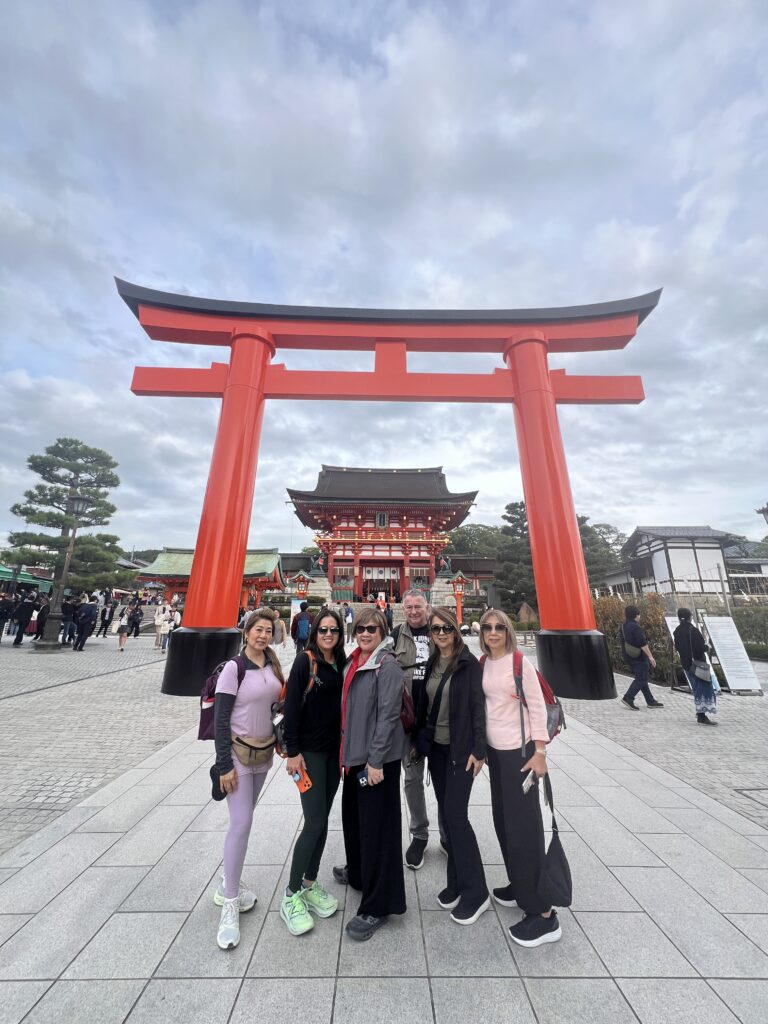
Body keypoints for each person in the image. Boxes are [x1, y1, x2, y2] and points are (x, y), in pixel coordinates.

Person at [479, 607, 562, 948]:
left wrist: (540, 752)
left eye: (500, 627)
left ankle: (543, 913)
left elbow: (538, 708)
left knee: (525, 828)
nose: (493, 632)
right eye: (487, 627)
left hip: (521, 753)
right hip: (496, 754)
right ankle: (519, 882)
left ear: (508, 631)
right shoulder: (484, 664)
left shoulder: (519, 662)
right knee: (503, 822)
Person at [333, 606, 408, 941]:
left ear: (383, 632)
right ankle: (361, 873)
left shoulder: (386, 666)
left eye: (373, 629)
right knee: (355, 821)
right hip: (354, 757)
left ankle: (378, 904)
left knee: (378, 832)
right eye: (361, 628)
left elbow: (389, 716)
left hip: (376, 762)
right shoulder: (354, 662)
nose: (365, 633)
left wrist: (376, 761)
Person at [214, 608, 284, 950]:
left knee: (246, 819)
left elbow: (275, 710)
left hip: (264, 754)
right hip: (238, 757)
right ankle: (229, 902)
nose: (262, 635)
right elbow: (221, 717)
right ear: (246, 632)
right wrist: (223, 763)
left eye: (267, 631)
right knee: (240, 823)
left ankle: (229, 881)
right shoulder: (233, 668)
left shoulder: (272, 666)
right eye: (257, 629)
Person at [414, 606, 488, 924]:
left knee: (457, 817)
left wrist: (479, 748)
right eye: (435, 629)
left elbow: (477, 706)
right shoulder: (433, 660)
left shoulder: (468, 663)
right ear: (429, 633)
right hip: (439, 751)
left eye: (447, 629)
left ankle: (477, 892)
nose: (441, 634)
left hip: (462, 751)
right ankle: (456, 881)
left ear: (456, 630)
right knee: (447, 814)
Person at [280, 608, 345, 935]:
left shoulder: (341, 661)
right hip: (307, 756)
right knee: (314, 821)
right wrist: (293, 752)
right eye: (323, 630)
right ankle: (291, 894)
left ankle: (309, 882)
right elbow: (291, 707)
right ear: (314, 632)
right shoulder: (305, 662)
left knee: (322, 821)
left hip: (334, 754)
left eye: (334, 630)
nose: (329, 635)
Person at [391, 588, 445, 868]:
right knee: (412, 779)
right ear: (403, 608)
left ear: (427, 606)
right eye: (409, 606)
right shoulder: (395, 635)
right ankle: (420, 834)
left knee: (443, 779)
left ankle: (448, 834)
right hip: (408, 719)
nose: (413, 611)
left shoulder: (440, 630)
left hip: (438, 717)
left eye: (418, 606)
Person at [673, 608, 718, 725]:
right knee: (703, 687)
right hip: (698, 664)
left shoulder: (677, 631)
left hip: (687, 664)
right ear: (690, 617)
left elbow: (678, 647)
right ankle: (702, 715)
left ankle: (700, 713)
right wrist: (707, 647)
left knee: (696, 688)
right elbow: (700, 648)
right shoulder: (693, 630)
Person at [619, 605, 664, 711]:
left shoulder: (623, 626)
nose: (640, 616)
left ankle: (650, 700)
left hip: (628, 655)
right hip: (638, 657)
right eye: (639, 614)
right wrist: (651, 657)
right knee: (641, 678)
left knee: (642, 678)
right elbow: (643, 644)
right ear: (636, 615)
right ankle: (628, 698)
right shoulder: (636, 627)